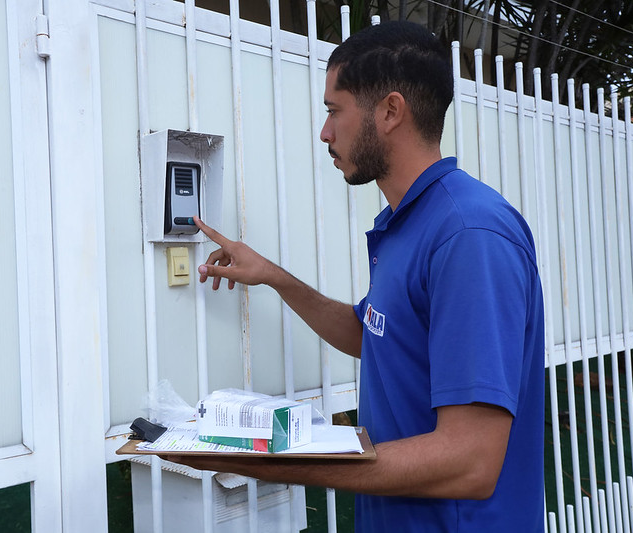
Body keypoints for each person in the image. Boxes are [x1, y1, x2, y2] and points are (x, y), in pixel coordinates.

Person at [168, 20, 545, 532]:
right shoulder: (407, 222)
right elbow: (374, 336)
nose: (325, 132)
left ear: (390, 111)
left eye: (334, 110)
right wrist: (275, 277)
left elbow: (470, 461)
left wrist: (266, 463)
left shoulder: (468, 236)